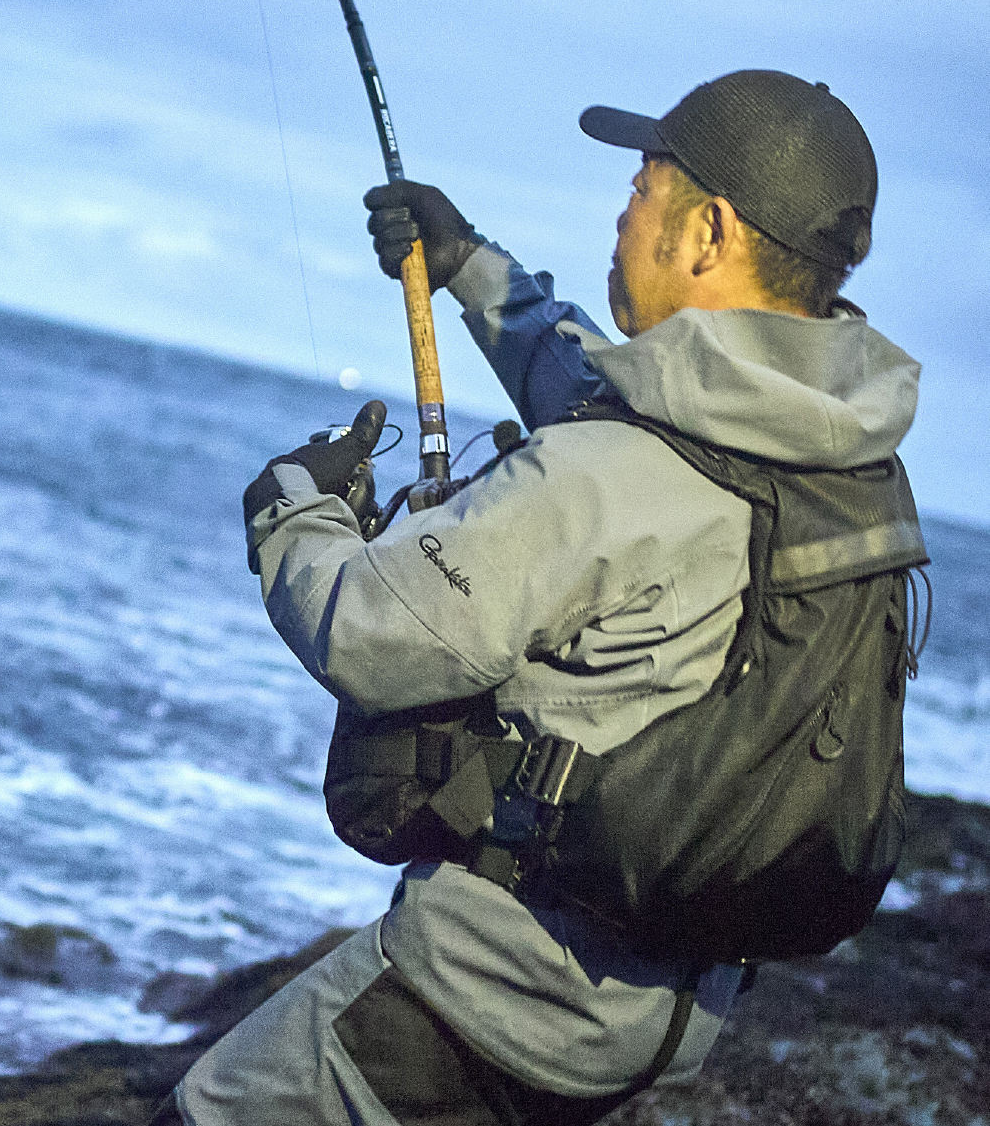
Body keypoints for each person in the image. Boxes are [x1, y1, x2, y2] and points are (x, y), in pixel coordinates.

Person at [174, 70, 920, 1125]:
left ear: (707, 231)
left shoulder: (612, 476)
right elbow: (617, 402)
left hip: (489, 1002)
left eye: (642, 188)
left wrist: (295, 507)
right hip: (661, 1021)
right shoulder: (846, 460)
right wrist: (470, 266)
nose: (622, 215)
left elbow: (367, 631)